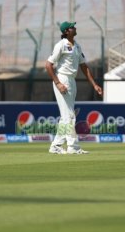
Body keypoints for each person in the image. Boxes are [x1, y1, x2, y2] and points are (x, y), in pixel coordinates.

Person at [45, 21, 103, 154]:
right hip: (62, 79)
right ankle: (73, 147)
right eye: (72, 27)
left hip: (72, 81)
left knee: (66, 116)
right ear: (66, 31)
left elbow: (84, 67)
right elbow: (48, 65)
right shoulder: (61, 45)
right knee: (70, 115)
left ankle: (56, 146)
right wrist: (58, 83)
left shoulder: (77, 46)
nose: (75, 28)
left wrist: (94, 85)